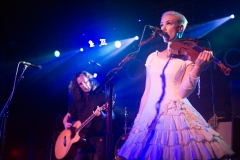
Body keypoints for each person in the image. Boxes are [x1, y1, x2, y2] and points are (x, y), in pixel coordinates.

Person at [118, 11, 234, 160]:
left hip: (174, 112)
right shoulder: (152, 57)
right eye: (161, 24)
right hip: (149, 113)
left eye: (169, 23)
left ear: (180, 28)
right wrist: (139, 118)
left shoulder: (187, 58)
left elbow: (183, 93)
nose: (163, 28)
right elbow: (147, 91)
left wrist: (198, 66)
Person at [63, 71, 114, 160]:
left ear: (90, 80)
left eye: (85, 82)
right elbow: (68, 115)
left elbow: (112, 117)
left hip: (98, 141)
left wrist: (101, 114)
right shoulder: (78, 99)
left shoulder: (101, 95)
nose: (84, 85)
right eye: (80, 84)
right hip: (81, 141)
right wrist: (65, 122)